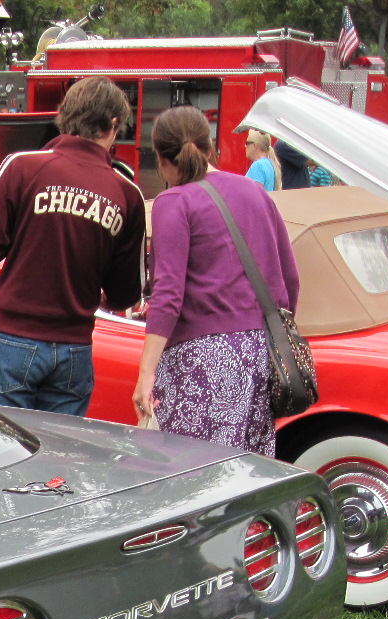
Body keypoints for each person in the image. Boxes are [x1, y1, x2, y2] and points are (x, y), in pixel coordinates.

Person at [0, 75, 145, 416]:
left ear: (66, 115)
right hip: (75, 348)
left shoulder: (22, 167)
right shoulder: (127, 194)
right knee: (60, 448)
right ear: (113, 125)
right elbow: (126, 294)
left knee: (6, 443)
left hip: (13, 338)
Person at [132, 106, 299, 456]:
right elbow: (290, 278)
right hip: (259, 352)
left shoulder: (173, 201)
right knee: (243, 470)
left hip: (199, 359)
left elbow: (168, 295)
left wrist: (146, 374)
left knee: (192, 469)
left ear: (162, 159)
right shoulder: (255, 192)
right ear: (209, 148)